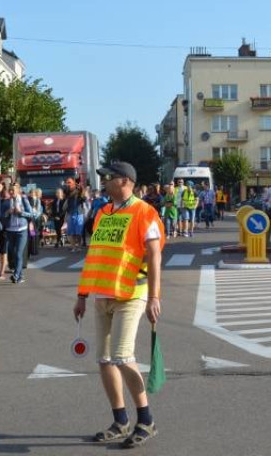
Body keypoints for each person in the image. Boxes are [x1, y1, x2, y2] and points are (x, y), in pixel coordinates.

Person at [72, 161, 164, 448]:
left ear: (125, 181)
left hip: (130, 294)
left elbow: (154, 256)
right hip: (103, 294)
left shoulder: (144, 212)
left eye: (108, 178)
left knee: (122, 357)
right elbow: (96, 255)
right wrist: (82, 295)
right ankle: (120, 420)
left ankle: (146, 420)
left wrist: (154, 297)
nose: (104, 182)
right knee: (104, 360)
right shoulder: (103, 212)